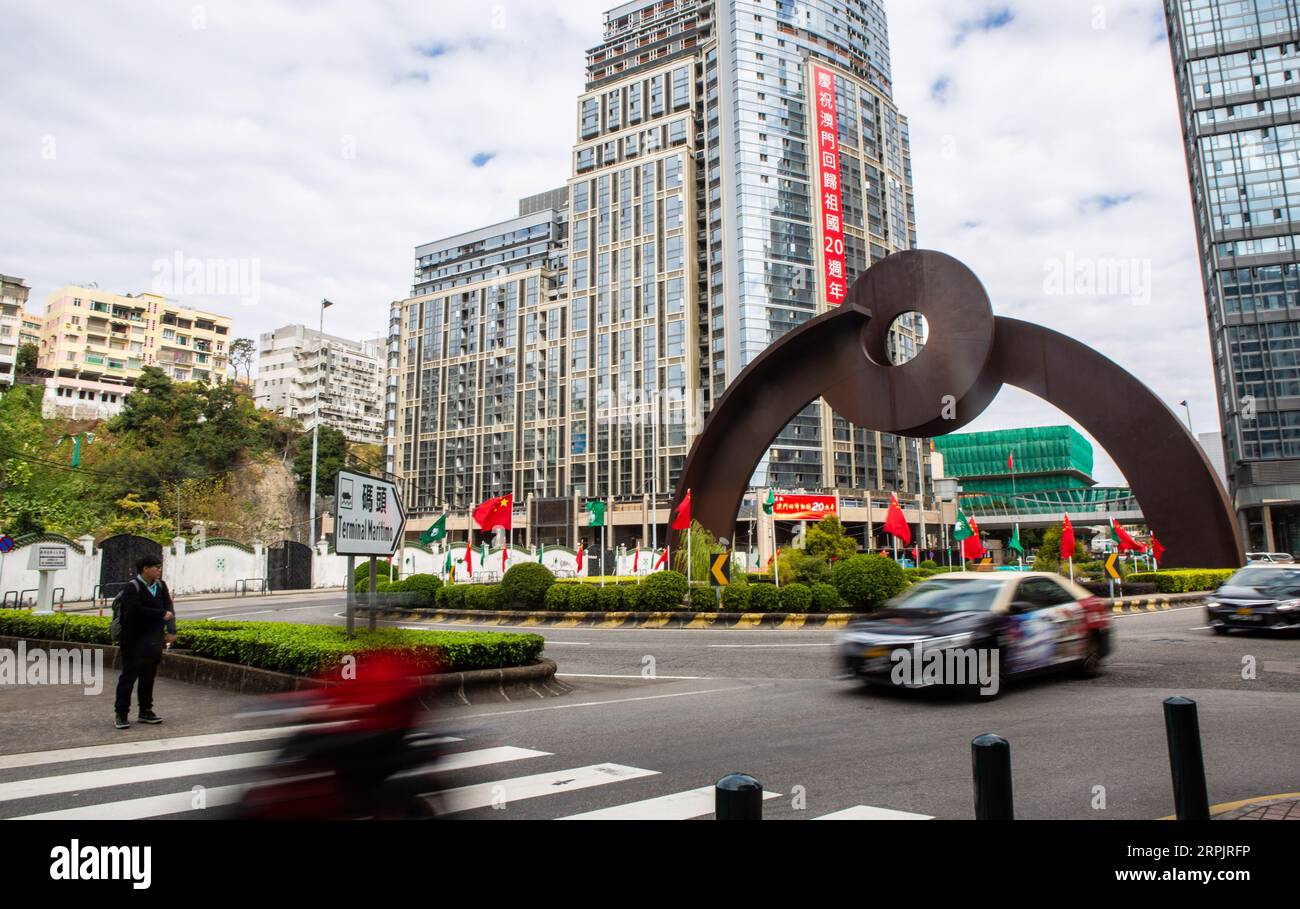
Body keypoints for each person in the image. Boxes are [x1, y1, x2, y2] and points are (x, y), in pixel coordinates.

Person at [113, 555, 176, 729]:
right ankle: (121, 713)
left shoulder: (161, 586)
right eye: (155, 567)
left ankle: (146, 711)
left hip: (154, 640)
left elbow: (169, 607)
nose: (159, 570)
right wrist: (160, 614)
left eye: (159, 567)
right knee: (128, 677)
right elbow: (134, 611)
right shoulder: (132, 587)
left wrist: (171, 630)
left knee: (148, 677)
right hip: (133, 639)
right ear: (145, 569)